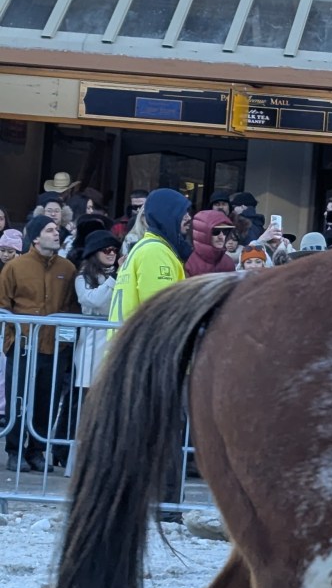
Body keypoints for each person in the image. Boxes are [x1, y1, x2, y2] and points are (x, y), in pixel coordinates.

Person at [0, 215, 77, 471]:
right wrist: (14, 336)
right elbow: (3, 305)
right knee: (18, 400)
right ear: (35, 237)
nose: (56, 234)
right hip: (22, 346)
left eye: (57, 230)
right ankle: (14, 451)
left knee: (47, 401)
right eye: (50, 230)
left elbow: (72, 306)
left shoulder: (67, 269)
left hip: (54, 348)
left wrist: (65, 342)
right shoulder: (15, 267)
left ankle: (36, 451)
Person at [107, 188, 191, 330]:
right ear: (167, 214)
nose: (189, 217)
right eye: (183, 212)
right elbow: (160, 314)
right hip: (140, 348)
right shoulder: (155, 251)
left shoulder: (149, 247)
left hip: (129, 346)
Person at [73, 229, 119, 394]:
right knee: (85, 394)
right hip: (91, 344)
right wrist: (114, 278)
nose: (111, 253)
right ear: (94, 252)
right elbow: (92, 300)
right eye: (106, 250)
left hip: (113, 341)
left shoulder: (121, 274)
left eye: (114, 250)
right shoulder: (83, 277)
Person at [185, 210, 238, 276]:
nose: (221, 236)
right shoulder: (188, 263)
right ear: (203, 234)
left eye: (225, 231)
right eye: (216, 231)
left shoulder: (228, 262)